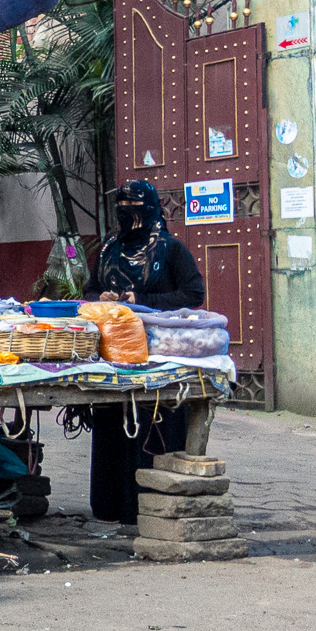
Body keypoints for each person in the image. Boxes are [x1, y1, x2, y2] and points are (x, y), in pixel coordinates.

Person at [84, 180, 206, 524]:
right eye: (121, 205)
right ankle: (111, 504)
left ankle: (155, 503)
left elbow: (192, 293)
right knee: (114, 424)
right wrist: (102, 298)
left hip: (158, 358)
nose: (127, 213)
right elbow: (90, 289)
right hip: (114, 354)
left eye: (134, 206)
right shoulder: (109, 248)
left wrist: (142, 302)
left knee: (155, 426)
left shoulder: (171, 249)